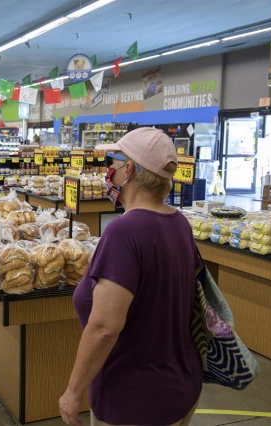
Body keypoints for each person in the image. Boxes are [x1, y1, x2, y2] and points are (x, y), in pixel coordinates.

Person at [59, 127, 203, 426]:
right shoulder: (179, 223)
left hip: (133, 398)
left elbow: (104, 328)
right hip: (179, 386)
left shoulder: (125, 231)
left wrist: (73, 391)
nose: (107, 172)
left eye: (111, 163)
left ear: (129, 170)